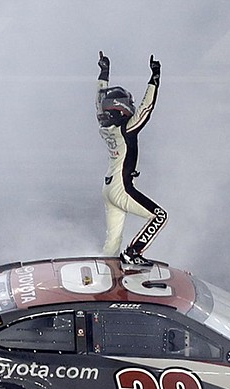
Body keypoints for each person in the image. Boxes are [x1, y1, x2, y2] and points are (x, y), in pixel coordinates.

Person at [96, 51, 167, 266]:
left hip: (108, 188)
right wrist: (155, 79)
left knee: (112, 243)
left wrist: (104, 74)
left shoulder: (104, 127)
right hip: (121, 189)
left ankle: (106, 271)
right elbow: (146, 109)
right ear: (122, 107)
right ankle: (132, 253)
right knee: (159, 217)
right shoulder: (127, 130)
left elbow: (99, 100)